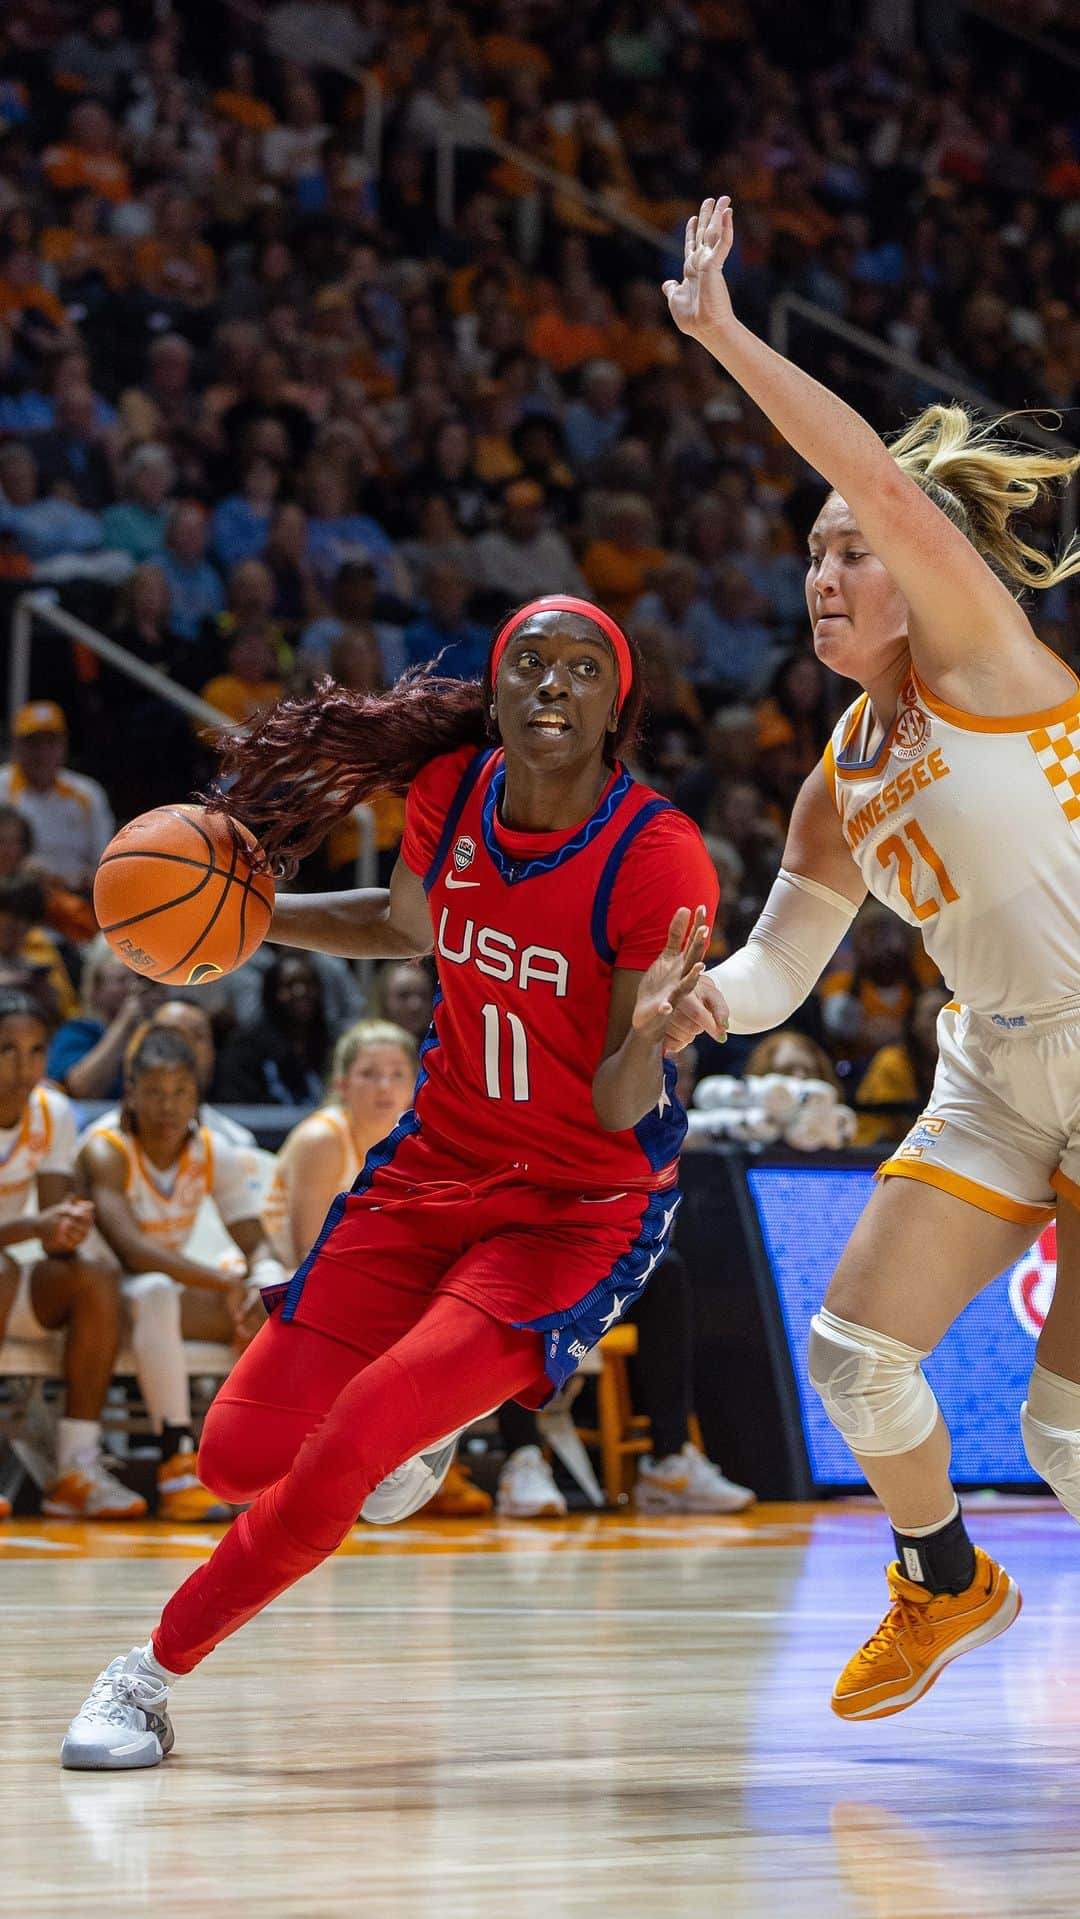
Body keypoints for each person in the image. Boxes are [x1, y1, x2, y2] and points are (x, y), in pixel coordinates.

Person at [62, 592, 718, 1768]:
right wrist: (256, 918)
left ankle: (144, 1676)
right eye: (529, 663)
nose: (552, 685)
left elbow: (626, 1109)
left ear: (616, 705)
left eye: (580, 669)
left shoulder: (656, 852)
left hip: (579, 1206)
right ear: (498, 690)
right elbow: (408, 919)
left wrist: (656, 1032)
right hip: (434, 1164)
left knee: (354, 1431)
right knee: (235, 1457)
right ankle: (417, 1440)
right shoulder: (452, 792)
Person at [661, 192, 1080, 1721]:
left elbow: (853, 460)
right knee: (851, 1358)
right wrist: (711, 997)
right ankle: (949, 1579)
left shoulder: (980, 650)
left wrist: (721, 332)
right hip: (1000, 1060)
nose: (825, 574)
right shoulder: (840, 768)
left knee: (1069, 1438)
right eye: (812, 558)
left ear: (924, 561)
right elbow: (785, 967)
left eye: (855, 548)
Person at [76, 1026, 283, 1524]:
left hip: (162, 1305)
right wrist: (222, 1283)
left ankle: (271, 1458)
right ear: (131, 1093)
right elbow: (132, 1251)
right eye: (154, 1093)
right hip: (97, 1301)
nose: (168, 1107)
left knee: (275, 1300)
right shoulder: (105, 1148)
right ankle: (175, 1457)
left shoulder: (215, 1152)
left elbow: (257, 1242)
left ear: (197, 1096)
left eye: (181, 1093)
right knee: (156, 1290)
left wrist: (263, 1284)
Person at [0, 989, 145, 1519]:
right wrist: (32, 1227)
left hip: (18, 1282)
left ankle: (76, 1466)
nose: (25, 1067)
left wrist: (67, 1227)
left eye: (37, 1051)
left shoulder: (53, 1110)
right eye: (7, 1051)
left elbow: (52, 1222)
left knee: (96, 1273)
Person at [94, 999, 255, 1148]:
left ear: (213, 1050)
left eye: (197, 1035)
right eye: (170, 1034)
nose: (185, 1044)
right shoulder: (100, 1141)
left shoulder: (236, 1142)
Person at [0, 702, 114, 894]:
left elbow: (105, 863)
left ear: (64, 745)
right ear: (16, 745)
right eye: (33, 743)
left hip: (71, 903)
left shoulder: (88, 794)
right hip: (12, 897)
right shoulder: (2, 786)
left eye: (50, 742)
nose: (42, 753)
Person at [47, 935, 162, 1103]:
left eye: (139, 979)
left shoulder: (158, 1034)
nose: (133, 988)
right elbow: (80, 1089)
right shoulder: (77, 1031)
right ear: (96, 989)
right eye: (121, 980)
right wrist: (125, 1021)